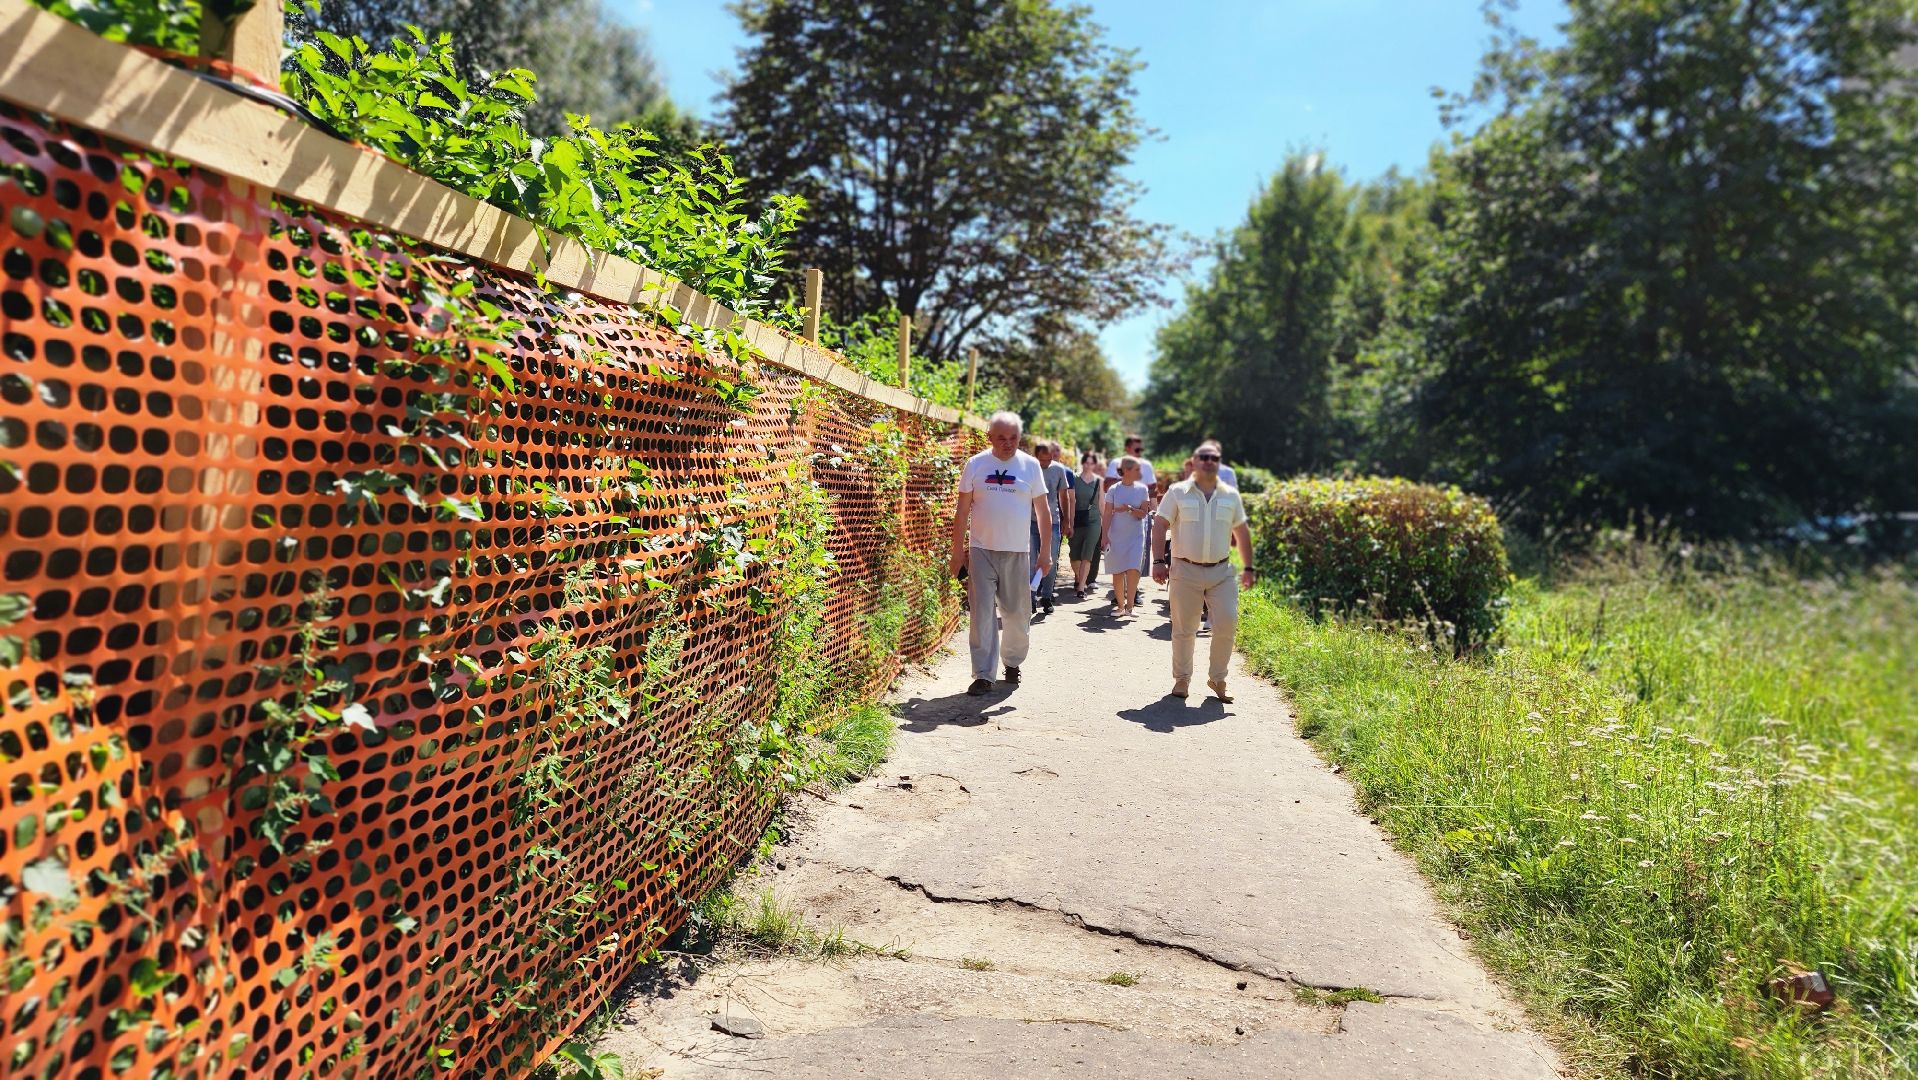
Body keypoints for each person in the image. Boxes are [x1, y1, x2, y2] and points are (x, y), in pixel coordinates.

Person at [950, 412, 1053, 696]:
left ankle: (1012, 661)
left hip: (1017, 551)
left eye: (1014, 439)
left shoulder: (1031, 466)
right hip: (982, 550)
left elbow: (1043, 513)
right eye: (1002, 439)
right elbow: (961, 513)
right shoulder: (976, 464)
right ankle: (983, 673)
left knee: (1017, 614)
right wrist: (957, 552)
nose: (1008, 444)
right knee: (981, 613)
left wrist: (1045, 553)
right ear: (989, 438)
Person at [1151, 440, 1255, 702]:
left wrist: (1249, 567)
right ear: (1195, 462)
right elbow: (1160, 524)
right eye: (1204, 457)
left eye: (1214, 458)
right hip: (1185, 570)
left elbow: (1241, 531)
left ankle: (1218, 679)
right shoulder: (1177, 492)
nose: (1209, 461)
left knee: (1227, 623)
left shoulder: (1230, 495)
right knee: (1185, 628)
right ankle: (1182, 680)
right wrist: (1158, 561)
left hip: (1221, 572)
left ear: (1218, 463)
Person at [1101, 456, 1152, 617]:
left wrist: (1129, 509)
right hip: (1116, 535)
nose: (1140, 472)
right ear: (1127, 470)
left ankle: (1130, 607)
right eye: (1137, 469)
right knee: (1117, 570)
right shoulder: (1113, 489)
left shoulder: (1143, 489)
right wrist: (1104, 536)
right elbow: (1107, 513)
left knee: (1133, 569)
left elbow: (1143, 514)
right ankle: (1121, 606)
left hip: (1136, 536)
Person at [1029, 440, 1074, 615]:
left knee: (1050, 560)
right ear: (1036, 456)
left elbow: (1064, 496)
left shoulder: (1058, 470)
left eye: (1048, 460)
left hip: (1052, 521)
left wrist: (1067, 521)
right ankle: (1030, 599)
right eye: (1042, 461)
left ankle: (1046, 596)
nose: (1045, 464)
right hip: (1031, 521)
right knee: (1032, 561)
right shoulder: (1029, 468)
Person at [1068, 451, 1105, 597]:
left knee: (1087, 554)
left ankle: (1081, 587)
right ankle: (1077, 577)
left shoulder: (1099, 481)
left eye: (1091, 463)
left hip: (1094, 521)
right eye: (1086, 462)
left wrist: (1106, 524)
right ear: (1082, 463)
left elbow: (1101, 503)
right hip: (1077, 520)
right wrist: (1069, 522)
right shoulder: (1074, 478)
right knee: (1074, 555)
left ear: (1094, 464)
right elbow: (1070, 501)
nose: (1088, 465)